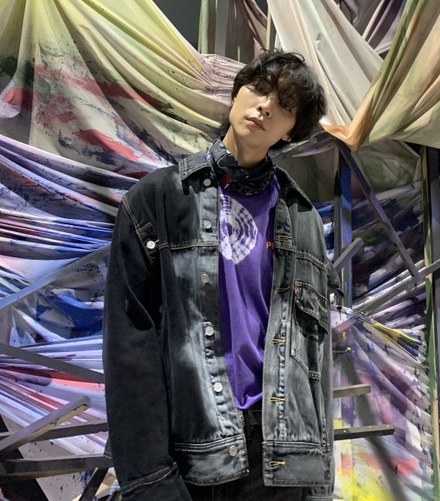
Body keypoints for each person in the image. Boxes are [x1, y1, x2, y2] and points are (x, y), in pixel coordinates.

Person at [103, 51, 341, 501]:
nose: (266, 106)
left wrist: (318, 486)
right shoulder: (158, 200)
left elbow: (315, 355)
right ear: (236, 94)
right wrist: (149, 478)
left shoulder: (302, 218)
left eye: (285, 105)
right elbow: (130, 346)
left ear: (291, 130)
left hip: (281, 457)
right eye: (260, 89)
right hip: (192, 450)